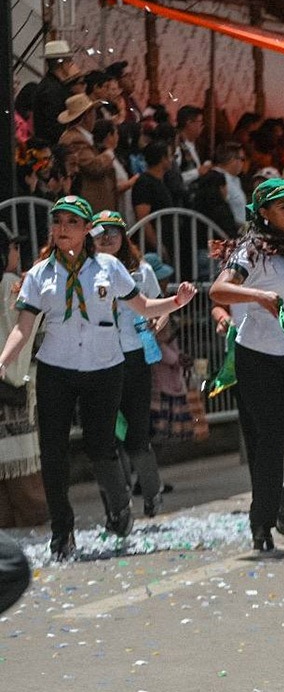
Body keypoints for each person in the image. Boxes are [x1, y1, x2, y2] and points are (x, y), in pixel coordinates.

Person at [0, 196, 196, 560]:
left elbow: (143, 306)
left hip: (104, 367)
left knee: (100, 445)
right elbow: (23, 328)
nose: (62, 228)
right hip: (56, 369)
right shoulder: (41, 273)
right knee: (53, 452)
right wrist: (3, 360)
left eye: (71, 222)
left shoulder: (108, 266)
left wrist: (175, 302)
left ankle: (119, 506)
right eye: (57, 221)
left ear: (87, 229)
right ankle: (62, 532)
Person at [210, 179, 284, 551]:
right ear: (263, 214)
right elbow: (218, 290)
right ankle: (261, 524)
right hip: (260, 356)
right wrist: (257, 296)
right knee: (271, 442)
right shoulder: (251, 251)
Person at [90, 210, 166, 517]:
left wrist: (157, 322)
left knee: (136, 434)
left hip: (134, 356)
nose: (107, 238)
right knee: (105, 436)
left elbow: (160, 305)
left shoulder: (142, 270)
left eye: (113, 232)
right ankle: (117, 505)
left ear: (124, 237)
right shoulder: (84, 271)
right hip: (97, 359)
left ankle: (152, 493)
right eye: (100, 233)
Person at [0, 230, 49, 528]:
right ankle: (33, 526)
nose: (17, 253)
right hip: (13, 384)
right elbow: (34, 323)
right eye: (14, 247)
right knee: (24, 475)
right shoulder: (14, 285)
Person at [131, 141, 176, 252]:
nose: (172, 160)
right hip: (151, 248)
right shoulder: (144, 183)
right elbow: (143, 219)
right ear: (163, 159)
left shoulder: (163, 181)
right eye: (170, 156)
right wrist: (158, 246)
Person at [34, 40, 79, 142]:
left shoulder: (52, 85)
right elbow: (53, 126)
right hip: (53, 145)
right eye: (69, 60)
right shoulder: (51, 90)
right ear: (61, 62)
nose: (71, 64)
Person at [175, 106, 209, 189]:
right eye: (200, 122)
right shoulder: (176, 146)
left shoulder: (197, 144)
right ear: (189, 123)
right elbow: (174, 179)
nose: (202, 126)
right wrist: (198, 172)